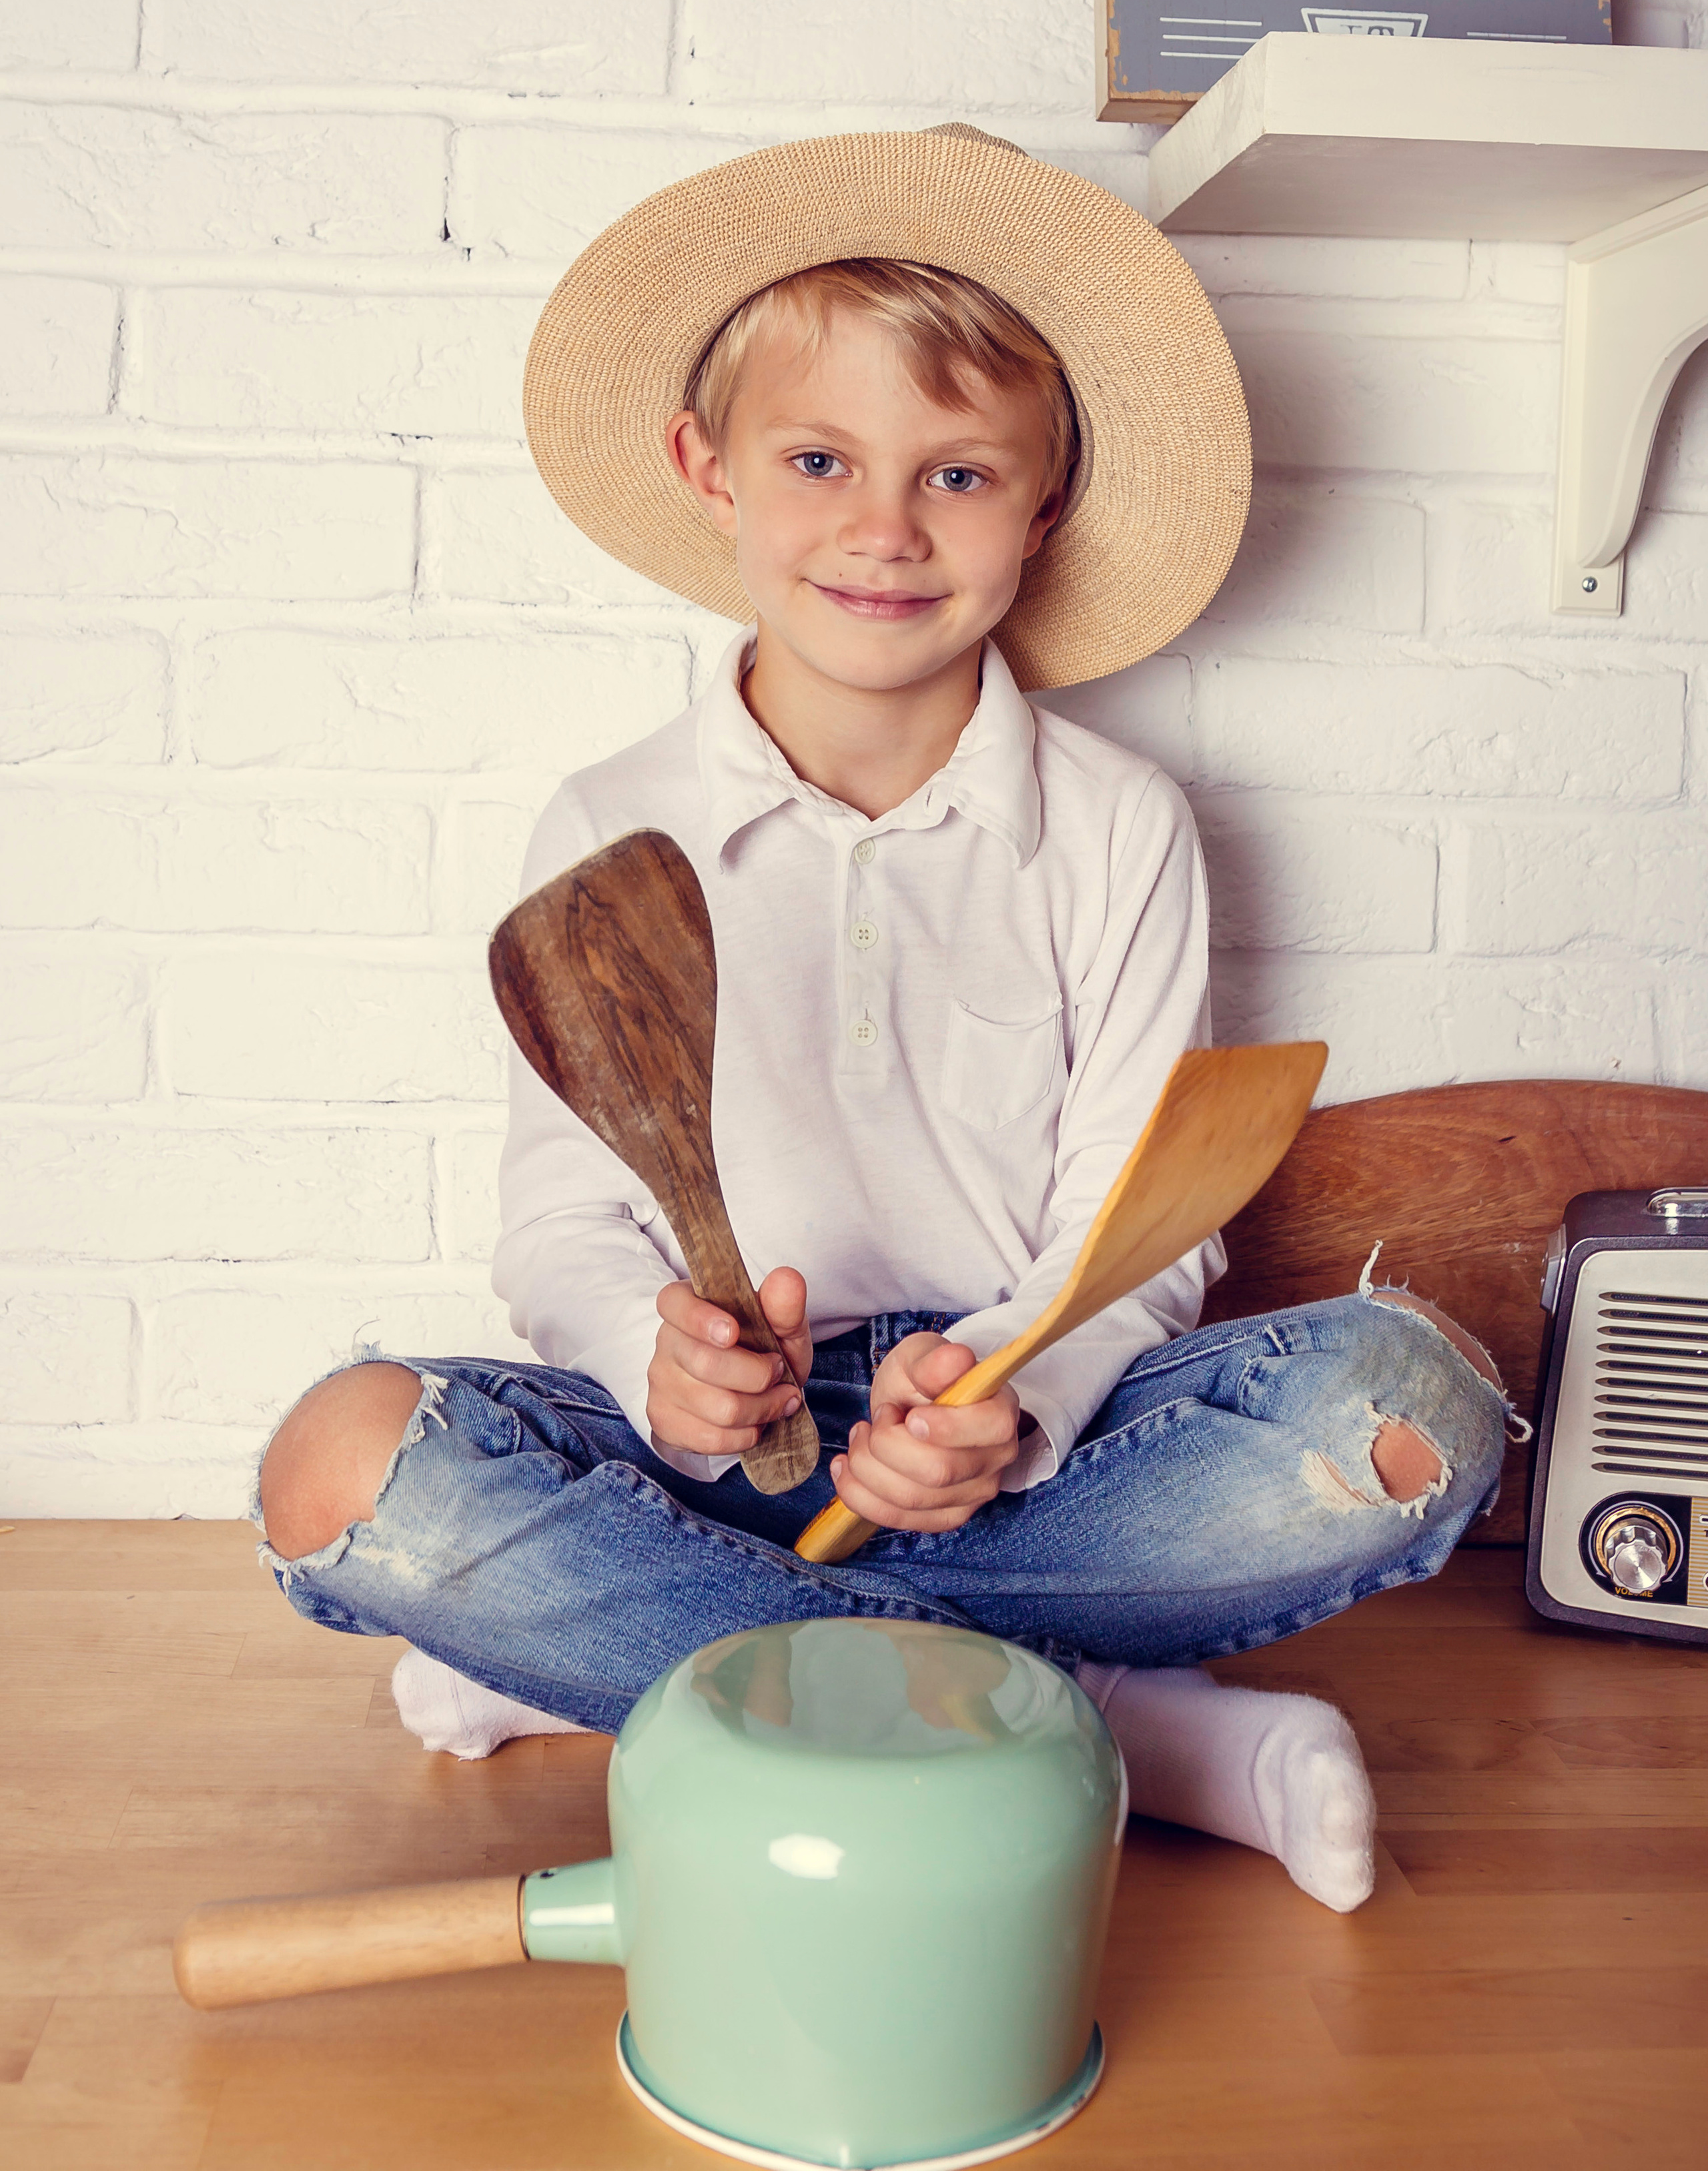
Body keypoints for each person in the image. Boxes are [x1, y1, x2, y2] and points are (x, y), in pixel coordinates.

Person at [256, 127, 1517, 1915]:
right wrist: (654, 1364)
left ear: (1046, 503)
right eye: (823, 457)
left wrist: (1019, 1389)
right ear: (710, 467)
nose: (882, 528)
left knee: (1414, 1413)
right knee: (339, 1465)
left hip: (1022, 1456)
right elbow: (558, 1227)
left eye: (959, 475)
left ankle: (637, 1670)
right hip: (697, 1475)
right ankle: (1133, 1740)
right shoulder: (608, 829)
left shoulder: (1119, 826)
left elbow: (1136, 1234)